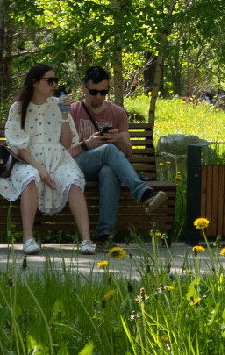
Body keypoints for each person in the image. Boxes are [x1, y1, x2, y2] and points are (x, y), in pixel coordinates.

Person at [5, 63, 95, 254]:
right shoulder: (18, 107)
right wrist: (39, 168)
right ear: (35, 82)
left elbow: (65, 143)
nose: (54, 84)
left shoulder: (57, 105)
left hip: (58, 160)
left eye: (56, 80)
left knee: (73, 181)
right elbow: (19, 146)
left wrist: (64, 116)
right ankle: (28, 238)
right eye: (50, 80)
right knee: (30, 178)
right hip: (27, 160)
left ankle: (86, 240)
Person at [69, 65, 164, 245]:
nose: (98, 97)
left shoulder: (117, 113)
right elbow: (63, 150)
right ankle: (143, 193)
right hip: (77, 165)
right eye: (93, 92)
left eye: (103, 92)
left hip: (105, 167)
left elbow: (127, 151)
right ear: (83, 88)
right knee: (109, 150)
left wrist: (118, 139)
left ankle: (104, 234)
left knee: (108, 171)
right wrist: (86, 144)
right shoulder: (73, 111)